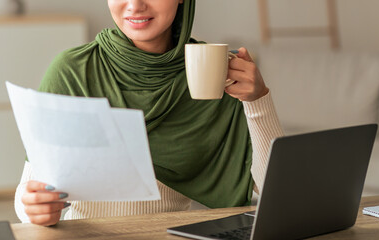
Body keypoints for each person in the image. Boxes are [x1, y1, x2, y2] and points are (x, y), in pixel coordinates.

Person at [15, 0, 283, 226]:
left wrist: (258, 100)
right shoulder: (73, 71)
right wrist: (35, 208)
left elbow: (274, 188)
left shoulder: (212, 71)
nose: (135, 5)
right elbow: (27, 194)